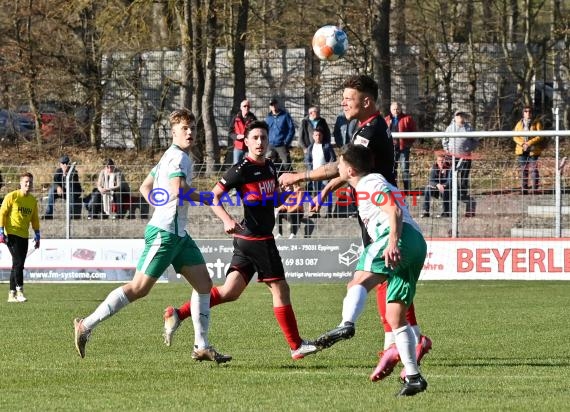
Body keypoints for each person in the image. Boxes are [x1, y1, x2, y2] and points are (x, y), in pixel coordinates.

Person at [279, 74, 431, 380]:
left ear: (367, 101)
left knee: (374, 278)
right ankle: (399, 345)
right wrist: (325, 191)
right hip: (381, 214)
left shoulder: (371, 129)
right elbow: (350, 170)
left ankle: (397, 339)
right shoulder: (368, 128)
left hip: (381, 215)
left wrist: (301, 177)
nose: (343, 103)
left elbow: (342, 166)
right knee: (388, 279)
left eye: (349, 98)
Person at [72, 108, 231, 363]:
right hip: (165, 233)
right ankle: (86, 325)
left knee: (203, 284)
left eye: (192, 128)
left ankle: (201, 346)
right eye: (184, 128)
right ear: (174, 132)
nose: (190, 132)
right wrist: (201, 196)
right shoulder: (178, 158)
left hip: (179, 235)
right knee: (138, 289)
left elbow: (145, 187)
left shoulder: (168, 157)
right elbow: (178, 189)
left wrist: (161, 203)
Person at [162, 120, 318, 360]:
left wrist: (287, 194)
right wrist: (226, 220)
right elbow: (214, 197)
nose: (260, 142)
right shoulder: (240, 169)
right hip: (258, 238)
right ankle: (296, 345)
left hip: (248, 239)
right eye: (254, 137)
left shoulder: (270, 167)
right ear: (245, 141)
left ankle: (178, 313)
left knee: (229, 292)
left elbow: (274, 201)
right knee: (280, 288)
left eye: (263, 138)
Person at [314, 144, 428, 396]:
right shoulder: (368, 181)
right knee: (396, 316)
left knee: (357, 282)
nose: (338, 168)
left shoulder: (369, 184)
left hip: (398, 237)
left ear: (351, 170)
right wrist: (320, 195)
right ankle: (413, 376)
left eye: (341, 164)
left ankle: (346, 324)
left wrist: (392, 242)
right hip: (417, 243)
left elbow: (393, 210)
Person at [0, 172, 40, 303]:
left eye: (30, 182)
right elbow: (2, 213)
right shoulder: (12, 196)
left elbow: (34, 219)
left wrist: (37, 233)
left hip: (24, 235)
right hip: (11, 234)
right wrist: (1, 231)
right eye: (26, 182)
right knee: (18, 263)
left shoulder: (32, 201)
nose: (28, 184)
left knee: (17, 265)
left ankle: (11, 295)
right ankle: (20, 291)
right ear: (20, 183)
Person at [442, 110, 478, 217]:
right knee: (452, 176)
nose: (460, 117)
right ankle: (454, 192)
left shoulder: (469, 128)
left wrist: (470, 148)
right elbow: (445, 139)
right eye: (458, 116)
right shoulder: (450, 127)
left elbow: (476, 140)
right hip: (452, 156)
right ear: (455, 117)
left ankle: (463, 193)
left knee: (464, 175)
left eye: (462, 116)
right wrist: (447, 150)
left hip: (466, 156)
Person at [305, 125, 336, 217]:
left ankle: (329, 212)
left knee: (327, 192)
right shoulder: (311, 147)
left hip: (326, 174)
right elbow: (307, 160)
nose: (318, 137)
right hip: (315, 174)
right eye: (316, 135)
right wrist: (311, 169)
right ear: (313, 136)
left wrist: (328, 168)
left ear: (322, 136)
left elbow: (332, 158)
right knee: (316, 193)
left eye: (319, 135)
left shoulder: (327, 146)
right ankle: (316, 212)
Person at [385, 101, 417, 191]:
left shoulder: (407, 118)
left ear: (401, 109)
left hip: (404, 148)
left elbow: (413, 132)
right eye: (394, 109)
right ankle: (393, 189)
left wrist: (408, 143)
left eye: (397, 109)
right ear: (391, 110)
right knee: (392, 169)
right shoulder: (386, 119)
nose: (396, 111)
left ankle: (407, 190)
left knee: (404, 169)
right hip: (391, 148)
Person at [513, 106, 545, 194]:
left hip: (533, 149)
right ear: (523, 113)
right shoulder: (519, 123)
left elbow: (540, 136)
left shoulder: (537, 123)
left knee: (533, 169)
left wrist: (529, 143)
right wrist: (523, 144)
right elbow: (515, 136)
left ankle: (535, 188)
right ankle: (524, 189)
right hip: (522, 149)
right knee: (524, 169)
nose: (528, 113)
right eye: (526, 111)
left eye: (529, 111)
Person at [43, 155, 82, 219]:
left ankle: (70, 215)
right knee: (52, 191)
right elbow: (55, 182)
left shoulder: (74, 172)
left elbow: (71, 185)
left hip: (73, 192)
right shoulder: (58, 171)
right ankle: (48, 214)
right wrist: (58, 187)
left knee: (71, 190)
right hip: (62, 192)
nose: (64, 165)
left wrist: (65, 173)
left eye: (66, 163)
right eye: (62, 163)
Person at [265, 98, 295, 170]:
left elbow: (291, 129)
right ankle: (274, 178)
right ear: (270, 107)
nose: (273, 106)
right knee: (270, 163)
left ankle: (288, 179)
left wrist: (286, 141)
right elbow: (265, 130)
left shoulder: (285, 115)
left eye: (274, 104)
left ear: (277, 104)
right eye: (271, 105)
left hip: (282, 144)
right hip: (270, 145)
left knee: (286, 164)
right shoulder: (268, 117)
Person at [421, 153, 451, 218]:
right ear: (437, 161)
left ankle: (446, 212)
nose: (441, 162)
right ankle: (425, 211)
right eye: (439, 160)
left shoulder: (449, 168)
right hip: (436, 188)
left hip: (446, 188)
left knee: (446, 191)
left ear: (445, 161)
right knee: (427, 189)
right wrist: (437, 185)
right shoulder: (434, 168)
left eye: (443, 160)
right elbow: (431, 180)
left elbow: (450, 181)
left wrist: (444, 185)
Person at [229, 99, 257, 164]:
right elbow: (230, 132)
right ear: (241, 107)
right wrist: (236, 136)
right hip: (238, 147)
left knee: (249, 165)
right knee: (236, 166)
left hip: (249, 147)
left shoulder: (253, 119)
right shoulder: (235, 118)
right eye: (245, 106)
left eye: (248, 106)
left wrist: (248, 136)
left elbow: (256, 132)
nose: (246, 108)